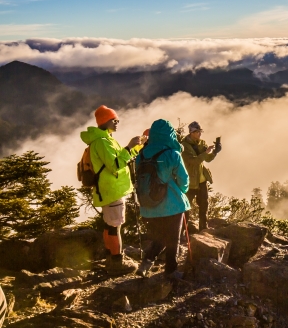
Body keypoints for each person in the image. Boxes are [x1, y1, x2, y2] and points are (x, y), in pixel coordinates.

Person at [80, 105, 144, 276]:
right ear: (105, 121)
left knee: (110, 225)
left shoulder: (105, 139)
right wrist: (130, 146)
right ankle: (117, 262)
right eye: (114, 120)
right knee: (115, 226)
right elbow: (115, 165)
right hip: (112, 190)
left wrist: (137, 147)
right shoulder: (102, 142)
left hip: (110, 189)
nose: (117, 123)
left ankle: (111, 257)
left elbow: (121, 158)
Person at [135, 119, 190, 279]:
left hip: (148, 205)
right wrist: (182, 191)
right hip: (172, 204)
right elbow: (184, 180)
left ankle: (146, 262)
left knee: (160, 237)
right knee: (173, 238)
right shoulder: (173, 154)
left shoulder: (142, 154)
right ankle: (171, 271)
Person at [181, 121, 220, 231]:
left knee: (204, 205)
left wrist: (215, 152)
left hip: (202, 180)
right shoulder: (184, 146)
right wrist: (206, 152)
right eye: (197, 132)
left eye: (200, 131)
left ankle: (203, 228)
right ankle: (183, 231)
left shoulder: (202, 143)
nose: (199, 134)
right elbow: (193, 161)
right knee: (186, 207)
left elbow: (207, 159)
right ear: (191, 132)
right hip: (190, 181)